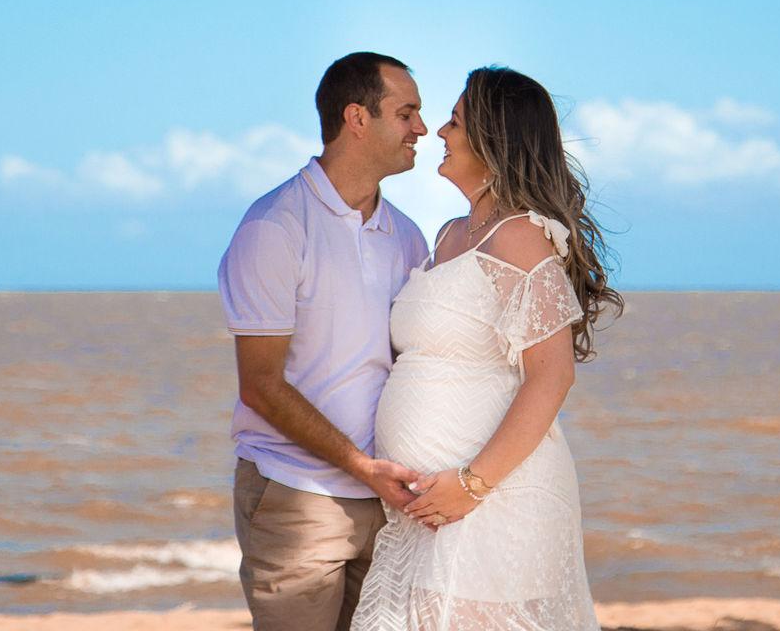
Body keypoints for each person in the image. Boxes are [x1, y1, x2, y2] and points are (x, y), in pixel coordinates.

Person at [351, 66, 623, 630]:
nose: (438, 134)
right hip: (431, 509)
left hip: (493, 499)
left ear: (493, 139)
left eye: (453, 122)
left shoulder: (520, 236)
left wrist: (471, 485)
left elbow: (552, 376)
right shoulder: (451, 234)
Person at [218, 52, 431, 631]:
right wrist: (363, 466)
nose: (422, 129)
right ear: (357, 118)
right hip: (296, 497)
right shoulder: (275, 228)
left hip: (387, 503)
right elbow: (261, 386)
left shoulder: (407, 237)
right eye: (407, 113)